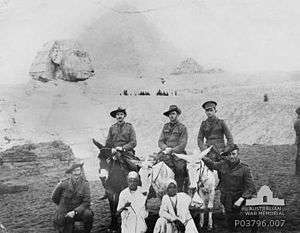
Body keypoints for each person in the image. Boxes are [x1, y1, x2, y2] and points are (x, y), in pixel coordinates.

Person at [201, 145, 256, 232]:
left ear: (238, 154)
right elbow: (212, 164)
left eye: (234, 154)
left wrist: (242, 199)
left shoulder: (245, 169)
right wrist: (201, 157)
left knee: (253, 211)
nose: (231, 156)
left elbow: (251, 187)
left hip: (240, 196)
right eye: (229, 154)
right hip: (227, 198)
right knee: (231, 222)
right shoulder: (223, 165)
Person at [100, 107, 139, 199]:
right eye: (117, 115)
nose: (119, 116)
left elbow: (133, 142)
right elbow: (108, 142)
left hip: (127, 152)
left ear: (124, 116)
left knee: (134, 167)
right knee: (104, 168)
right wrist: (111, 149)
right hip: (114, 153)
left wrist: (123, 148)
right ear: (115, 117)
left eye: (121, 114)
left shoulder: (129, 127)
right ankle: (107, 190)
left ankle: (137, 186)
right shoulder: (112, 128)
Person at [52, 161, 93, 233]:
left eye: (78, 170)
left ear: (81, 172)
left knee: (88, 214)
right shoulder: (63, 184)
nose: (77, 173)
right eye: (74, 171)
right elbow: (54, 198)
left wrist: (75, 211)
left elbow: (86, 202)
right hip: (65, 210)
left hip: (78, 210)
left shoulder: (85, 184)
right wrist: (63, 208)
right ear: (71, 173)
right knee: (65, 226)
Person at [157, 105, 188, 191]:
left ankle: (179, 189)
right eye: (170, 114)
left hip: (178, 153)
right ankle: (155, 189)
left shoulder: (182, 128)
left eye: (173, 114)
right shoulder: (165, 127)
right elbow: (160, 141)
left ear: (177, 115)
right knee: (155, 167)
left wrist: (172, 150)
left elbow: (183, 144)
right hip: (165, 152)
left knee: (180, 168)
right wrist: (165, 148)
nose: (171, 116)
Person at [294, 107, 300, 175]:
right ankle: (298, 171)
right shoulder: (298, 121)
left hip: (298, 139)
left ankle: (297, 171)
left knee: (298, 155)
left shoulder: (297, 121)